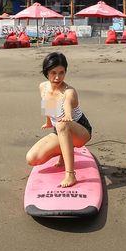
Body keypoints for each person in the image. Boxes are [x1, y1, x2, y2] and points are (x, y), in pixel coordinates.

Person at [26, 52, 93, 188]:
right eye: (53, 72)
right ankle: (64, 150)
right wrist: (49, 122)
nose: (57, 77)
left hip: (80, 129)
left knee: (62, 125)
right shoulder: (43, 87)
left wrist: (67, 115)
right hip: (61, 130)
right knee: (32, 159)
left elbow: (67, 104)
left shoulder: (69, 91)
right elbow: (48, 103)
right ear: (46, 72)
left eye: (61, 73)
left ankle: (70, 174)